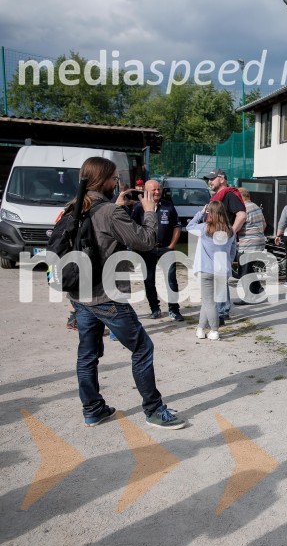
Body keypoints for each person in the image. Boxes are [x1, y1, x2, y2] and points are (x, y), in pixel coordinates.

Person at [67, 157, 185, 430]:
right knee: (142, 347)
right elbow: (145, 241)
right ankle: (154, 410)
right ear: (103, 180)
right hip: (107, 297)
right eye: (114, 178)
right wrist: (149, 211)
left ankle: (93, 409)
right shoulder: (109, 212)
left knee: (87, 355)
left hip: (80, 295)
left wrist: (117, 207)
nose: (116, 183)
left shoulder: (74, 206)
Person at [131, 180, 184, 321]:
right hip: (147, 250)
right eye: (154, 189)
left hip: (166, 248)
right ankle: (155, 309)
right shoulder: (138, 208)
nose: (157, 192)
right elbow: (133, 229)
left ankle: (174, 310)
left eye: (159, 189)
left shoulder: (168, 205)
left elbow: (177, 226)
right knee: (149, 281)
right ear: (146, 191)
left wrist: (171, 245)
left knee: (171, 281)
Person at [187, 201, 237, 340]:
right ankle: (200, 328)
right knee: (208, 301)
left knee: (209, 302)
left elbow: (189, 226)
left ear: (210, 212)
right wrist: (228, 262)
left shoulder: (205, 228)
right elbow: (233, 250)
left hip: (206, 270)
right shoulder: (231, 230)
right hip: (222, 271)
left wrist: (201, 213)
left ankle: (214, 330)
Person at [203, 169, 246, 323]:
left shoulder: (229, 195)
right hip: (215, 240)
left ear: (222, 179)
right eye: (209, 179)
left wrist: (231, 233)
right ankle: (221, 310)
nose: (210, 181)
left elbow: (242, 215)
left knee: (219, 277)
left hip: (222, 240)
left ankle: (221, 312)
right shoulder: (218, 196)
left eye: (212, 178)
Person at [236, 188, 268, 302]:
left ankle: (249, 297)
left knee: (244, 271)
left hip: (247, 244)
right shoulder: (256, 207)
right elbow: (264, 224)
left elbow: (237, 227)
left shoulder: (243, 209)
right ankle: (258, 290)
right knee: (249, 268)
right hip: (259, 242)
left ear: (240, 197)